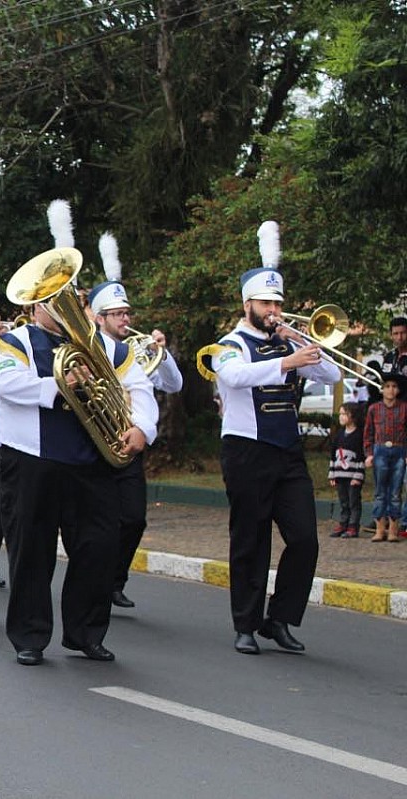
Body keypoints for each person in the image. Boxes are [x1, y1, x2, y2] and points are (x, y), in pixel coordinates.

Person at [0, 249, 156, 668]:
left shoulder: (108, 347)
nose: (66, 307)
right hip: (31, 460)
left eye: (73, 298)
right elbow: (5, 384)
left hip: (93, 461)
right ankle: (29, 635)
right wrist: (60, 385)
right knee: (32, 549)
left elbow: (139, 388)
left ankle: (85, 633)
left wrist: (142, 428)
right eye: (54, 299)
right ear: (35, 306)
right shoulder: (13, 341)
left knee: (98, 547)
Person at [210, 220, 342, 655]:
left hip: (287, 452)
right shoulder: (229, 343)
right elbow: (233, 375)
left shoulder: (288, 342)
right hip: (247, 450)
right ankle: (245, 624)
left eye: (277, 303)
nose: (273, 310)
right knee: (250, 539)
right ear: (246, 303)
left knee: (304, 538)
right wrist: (286, 363)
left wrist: (299, 340)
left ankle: (280, 618)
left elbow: (333, 373)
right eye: (266, 302)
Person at [88, 233, 184, 609]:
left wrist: (162, 353)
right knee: (97, 525)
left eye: (127, 313)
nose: (125, 320)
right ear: (99, 318)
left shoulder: (139, 351)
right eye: (117, 314)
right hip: (95, 445)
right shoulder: (89, 349)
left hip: (130, 444)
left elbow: (174, 384)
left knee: (133, 520)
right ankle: (95, 581)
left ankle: (115, 580)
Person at [362, 372, 406, 543]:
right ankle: (380, 528)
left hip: (399, 450)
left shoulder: (404, 408)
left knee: (395, 492)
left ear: (398, 390)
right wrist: (369, 454)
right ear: (381, 390)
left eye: (394, 386)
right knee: (380, 491)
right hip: (380, 450)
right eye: (387, 386)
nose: (390, 390)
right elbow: (368, 433)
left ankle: (393, 529)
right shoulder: (374, 409)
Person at [328, 402, 365, 539]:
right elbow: (333, 455)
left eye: (345, 414)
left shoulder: (358, 435)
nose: (341, 417)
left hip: (353, 476)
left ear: (353, 416)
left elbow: (361, 457)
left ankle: (353, 526)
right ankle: (343, 523)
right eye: (341, 414)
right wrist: (332, 474)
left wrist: (358, 476)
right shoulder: (339, 435)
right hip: (340, 474)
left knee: (353, 501)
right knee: (343, 501)